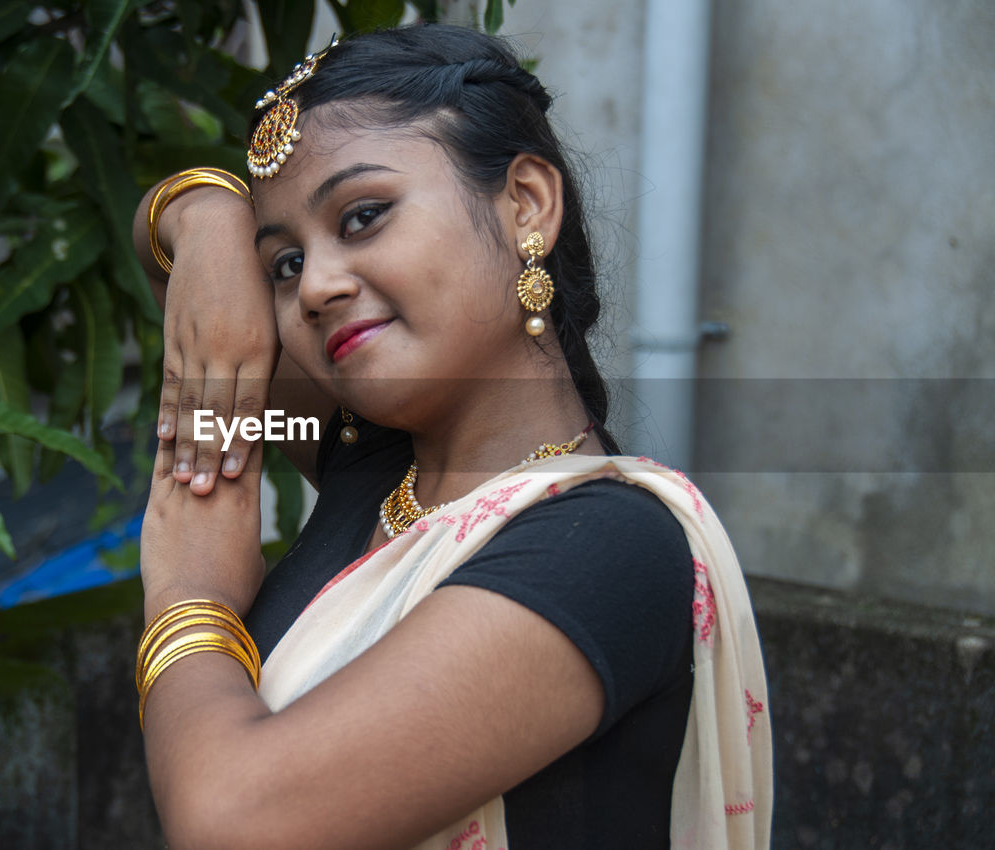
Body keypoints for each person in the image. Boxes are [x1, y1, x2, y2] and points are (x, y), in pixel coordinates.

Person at [130, 24, 771, 850]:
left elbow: (233, 822)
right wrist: (215, 215)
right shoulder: (373, 466)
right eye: (284, 264)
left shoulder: (606, 547)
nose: (315, 286)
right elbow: (169, 268)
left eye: (363, 216)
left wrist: (191, 601)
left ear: (526, 207)